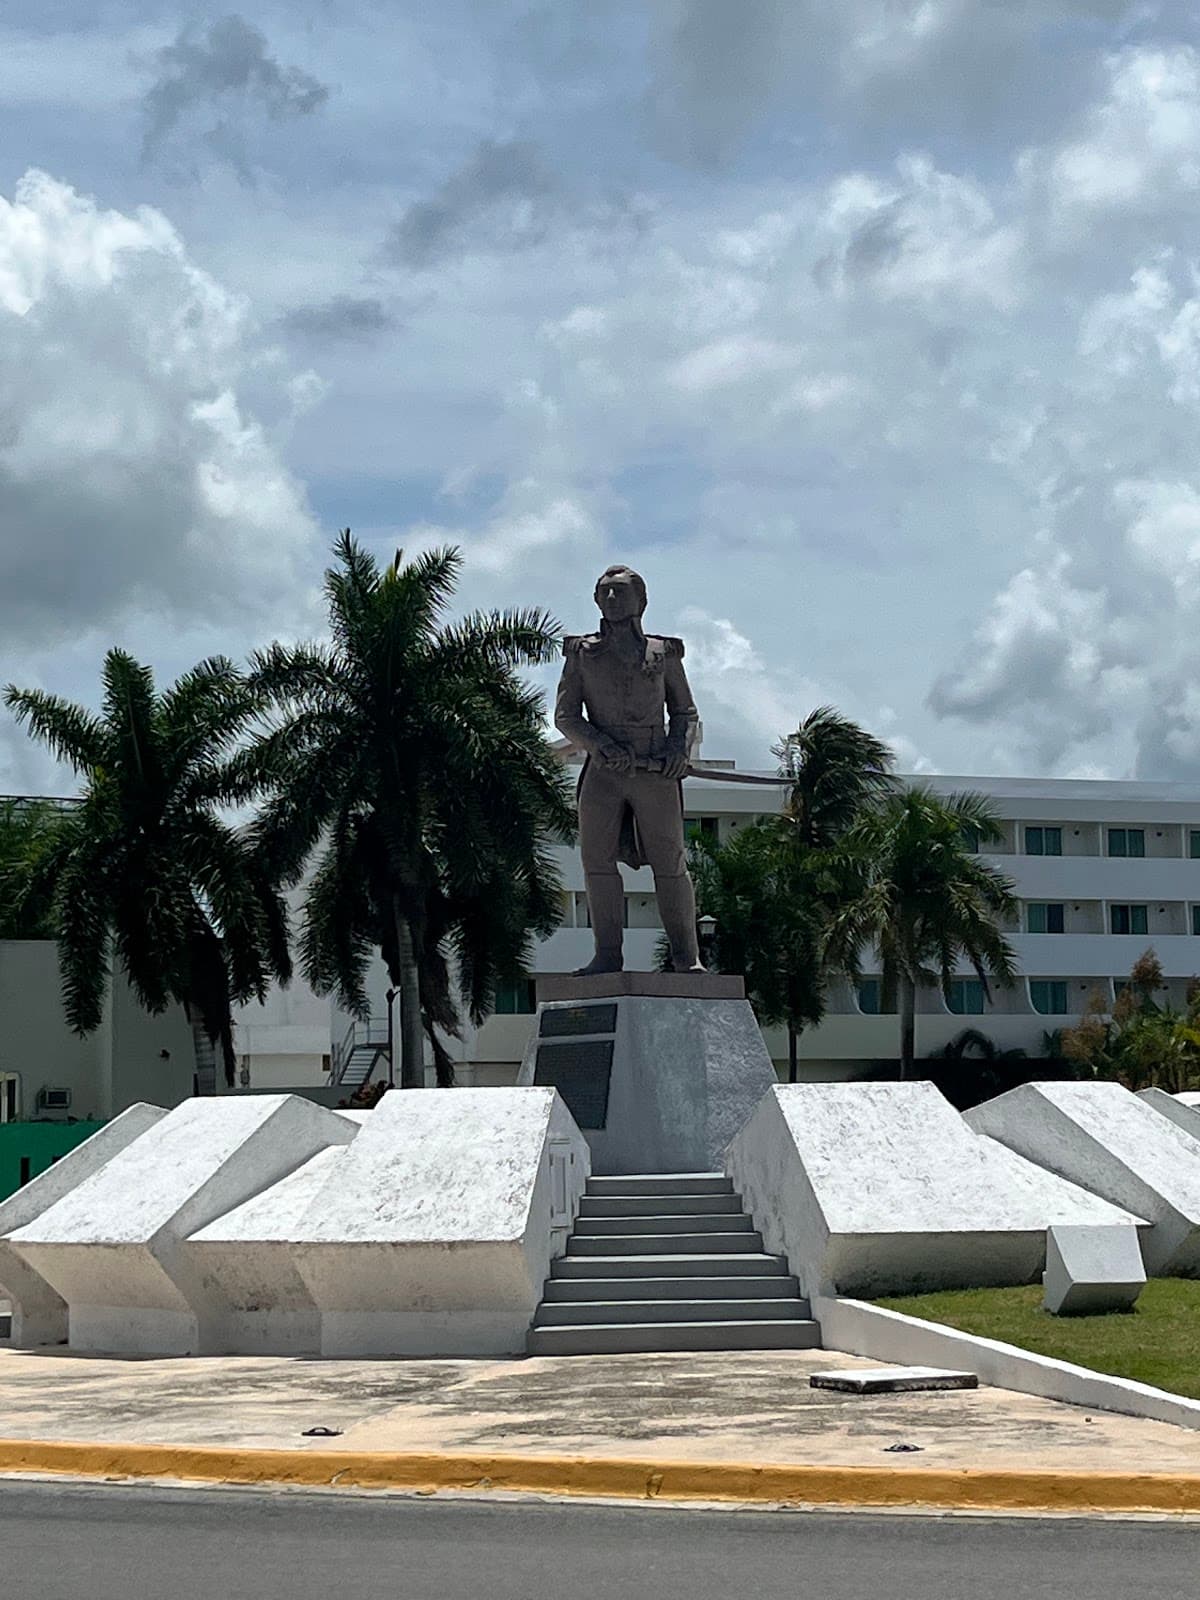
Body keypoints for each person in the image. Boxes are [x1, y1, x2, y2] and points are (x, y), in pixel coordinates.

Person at [554, 564, 704, 974]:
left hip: (655, 769)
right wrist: (600, 744)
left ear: (642, 600)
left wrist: (678, 750)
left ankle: (686, 959)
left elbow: (684, 711)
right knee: (596, 862)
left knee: (670, 863)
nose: (611, 599)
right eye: (604, 592)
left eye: (620, 591)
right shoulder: (582, 653)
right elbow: (566, 716)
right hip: (604, 770)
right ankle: (607, 956)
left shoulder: (663, 652)